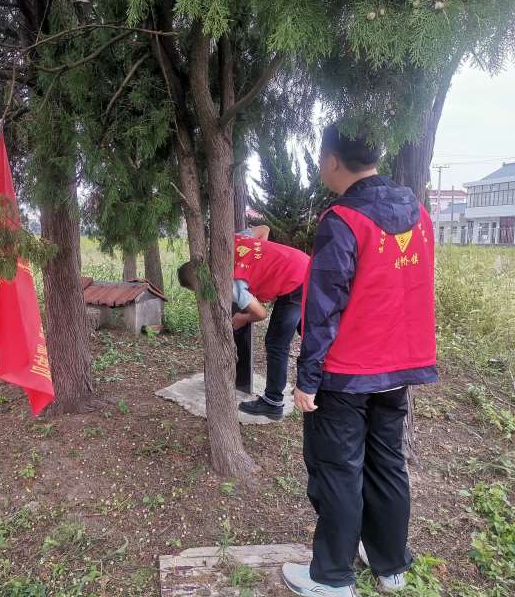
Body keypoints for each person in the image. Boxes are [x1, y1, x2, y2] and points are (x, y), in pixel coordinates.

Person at [281, 125, 437, 596]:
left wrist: (307, 377)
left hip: (346, 373)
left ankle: (331, 578)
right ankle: (390, 565)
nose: (320, 166)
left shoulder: (342, 219)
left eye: (320, 158)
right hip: (399, 368)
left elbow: (322, 307)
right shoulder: (419, 213)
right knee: (387, 464)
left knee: (337, 469)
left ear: (332, 160)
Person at [177, 225, 309, 420]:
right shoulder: (228, 244)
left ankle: (273, 403)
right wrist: (262, 266)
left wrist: (244, 317)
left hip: (293, 281)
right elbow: (263, 229)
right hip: (306, 264)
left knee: (276, 343)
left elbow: (261, 313)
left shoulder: (230, 283)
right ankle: (316, 384)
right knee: (308, 332)